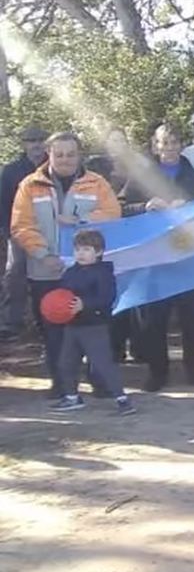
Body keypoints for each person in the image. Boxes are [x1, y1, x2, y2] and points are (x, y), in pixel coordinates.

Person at [11, 132, 123, 396]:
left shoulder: (97, 183)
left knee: (93, 329)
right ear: (48, 154)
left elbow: (112, 214)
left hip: (87, 271)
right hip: (46, 271)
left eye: (71, 154)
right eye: (59, 154)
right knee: (54, 332)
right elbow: (21, 225)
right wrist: (43, 255)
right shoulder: (30, 185)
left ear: (79, 155)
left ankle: (100, 382)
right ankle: (62, 385)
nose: (65, 159)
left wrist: (82, 220)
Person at [121, 124, 194, 391]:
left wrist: (192, 209)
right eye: (164, 142)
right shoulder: (139, 179)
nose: (169, 147)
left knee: (193, 319)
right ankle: (157, 373)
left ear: (181, 145)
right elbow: (121, 210)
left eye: (174, 142)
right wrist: (145, 206)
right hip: (154, 260)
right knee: (154, 320)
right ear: (155, 146)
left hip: (191, 259)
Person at [49, 228, 132, 415]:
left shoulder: (104, 273)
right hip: (72, 326)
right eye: (78, 250)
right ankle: (72, 397)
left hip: (94, 326)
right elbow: (62, 296)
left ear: (99, 252)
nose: (81, 254)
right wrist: (57, 309)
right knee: (65, 363)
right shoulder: (70, 272)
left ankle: (122, 400)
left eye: (86, 249)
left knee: (102, 364)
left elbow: (106, 298)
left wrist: (84, 304)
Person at [0, 125, 48, 337]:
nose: (36, 144)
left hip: (49, 231)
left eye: (40, 139)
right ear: (24, 144)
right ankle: (12, 322)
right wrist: (8, 231)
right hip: (19, 230)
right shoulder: (11, 170)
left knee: (47, 275)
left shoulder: (55, 165)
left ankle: (46, 320)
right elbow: (3, 203)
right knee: (16, 273)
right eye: (31, 140)